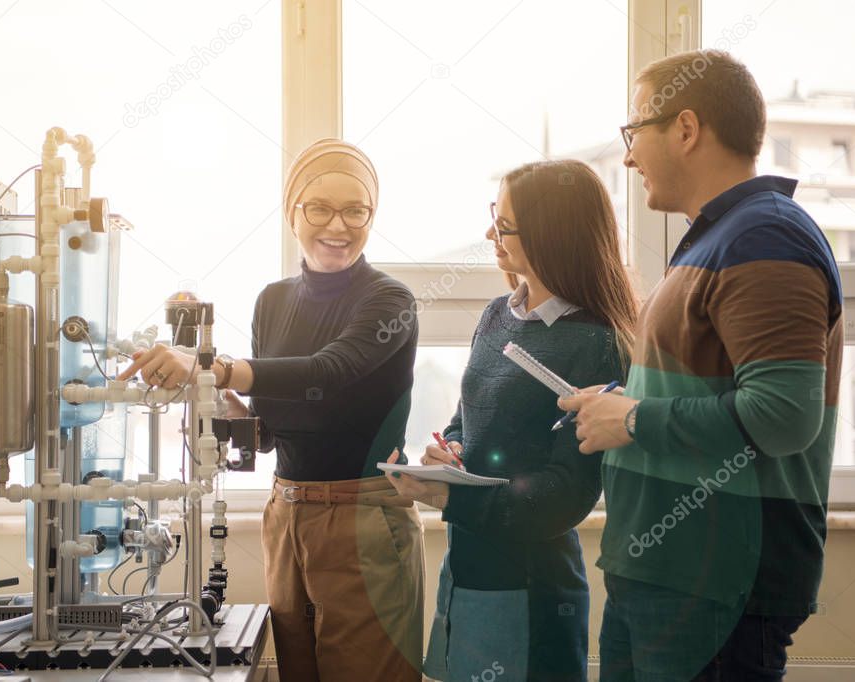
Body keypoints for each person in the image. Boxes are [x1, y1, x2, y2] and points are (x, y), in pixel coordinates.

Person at [559, 50, 844, 681]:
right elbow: (705, 385)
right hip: (665, 576)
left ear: (686, 129)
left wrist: (631, 420)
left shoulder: (765, 238)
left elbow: (783, 416)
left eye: (634, 132)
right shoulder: (717, 238)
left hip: (715, 584)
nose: (627, 156)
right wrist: (617, 401)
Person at [120, 139, 425, 681]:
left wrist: (210, 366)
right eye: (319, 208)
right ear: (292, 213)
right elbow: (268, 430)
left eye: (356, 209)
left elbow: (329, 372)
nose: (339, 224)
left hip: (362, 518)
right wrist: (210, 392)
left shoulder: (389, 301)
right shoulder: (273, 300)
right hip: (286, 515)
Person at [387, 159, 638, 682]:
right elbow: (467, 420)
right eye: (492, 217)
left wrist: (455, 498)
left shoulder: (594, 342)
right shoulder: (498, 314)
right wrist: (449, 452)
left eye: (504, 226)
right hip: (469, 567)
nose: (489, 234)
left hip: (532, 583)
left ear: (552, 235)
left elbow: (567, 493)